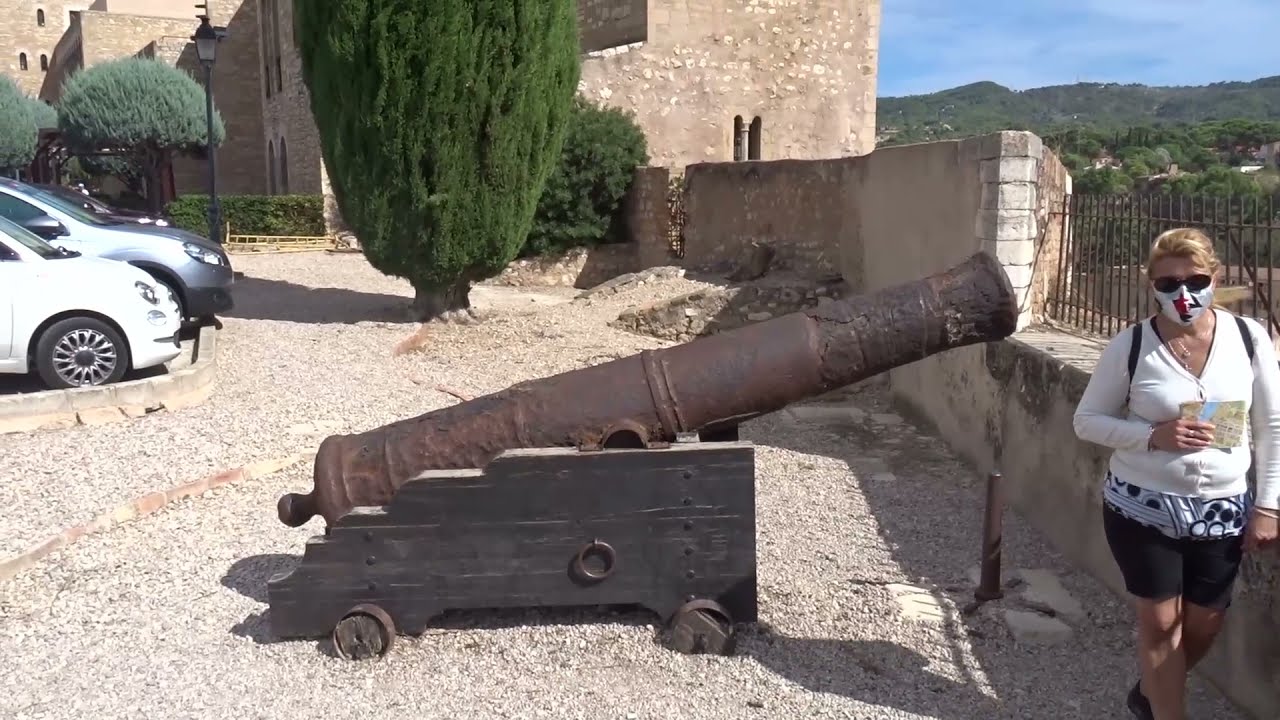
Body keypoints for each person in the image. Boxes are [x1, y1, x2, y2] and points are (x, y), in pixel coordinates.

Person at [1073, 227, 1280, 720]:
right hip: (1143, 506)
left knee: (1204, 626)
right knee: (1161, 626)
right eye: (1167, 284)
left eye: (1195, 280)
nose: (1182, 295)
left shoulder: (1249, 339)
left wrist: (1269, 504)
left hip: (1223, 510)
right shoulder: (1132, 345)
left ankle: (1148, 694)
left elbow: (1271, 424)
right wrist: (1151, 435)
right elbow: (1086, 421)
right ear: (1151, 286)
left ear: (1217, 277)